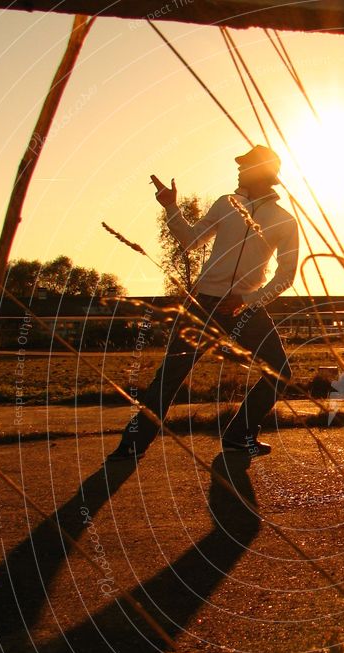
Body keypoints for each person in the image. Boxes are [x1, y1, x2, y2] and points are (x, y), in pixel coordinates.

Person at [107, 145, 298, 461]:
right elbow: (192, 240)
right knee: (170, 375)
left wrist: (246, 300)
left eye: (246, 165)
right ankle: (132, 445)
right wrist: (171, 207)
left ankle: (239, 436)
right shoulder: (227, 204)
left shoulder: (284, 220)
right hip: (203, 304)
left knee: (279, 372)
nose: (238, 170)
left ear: (264, 170)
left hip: (245, 309)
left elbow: (287, 274)